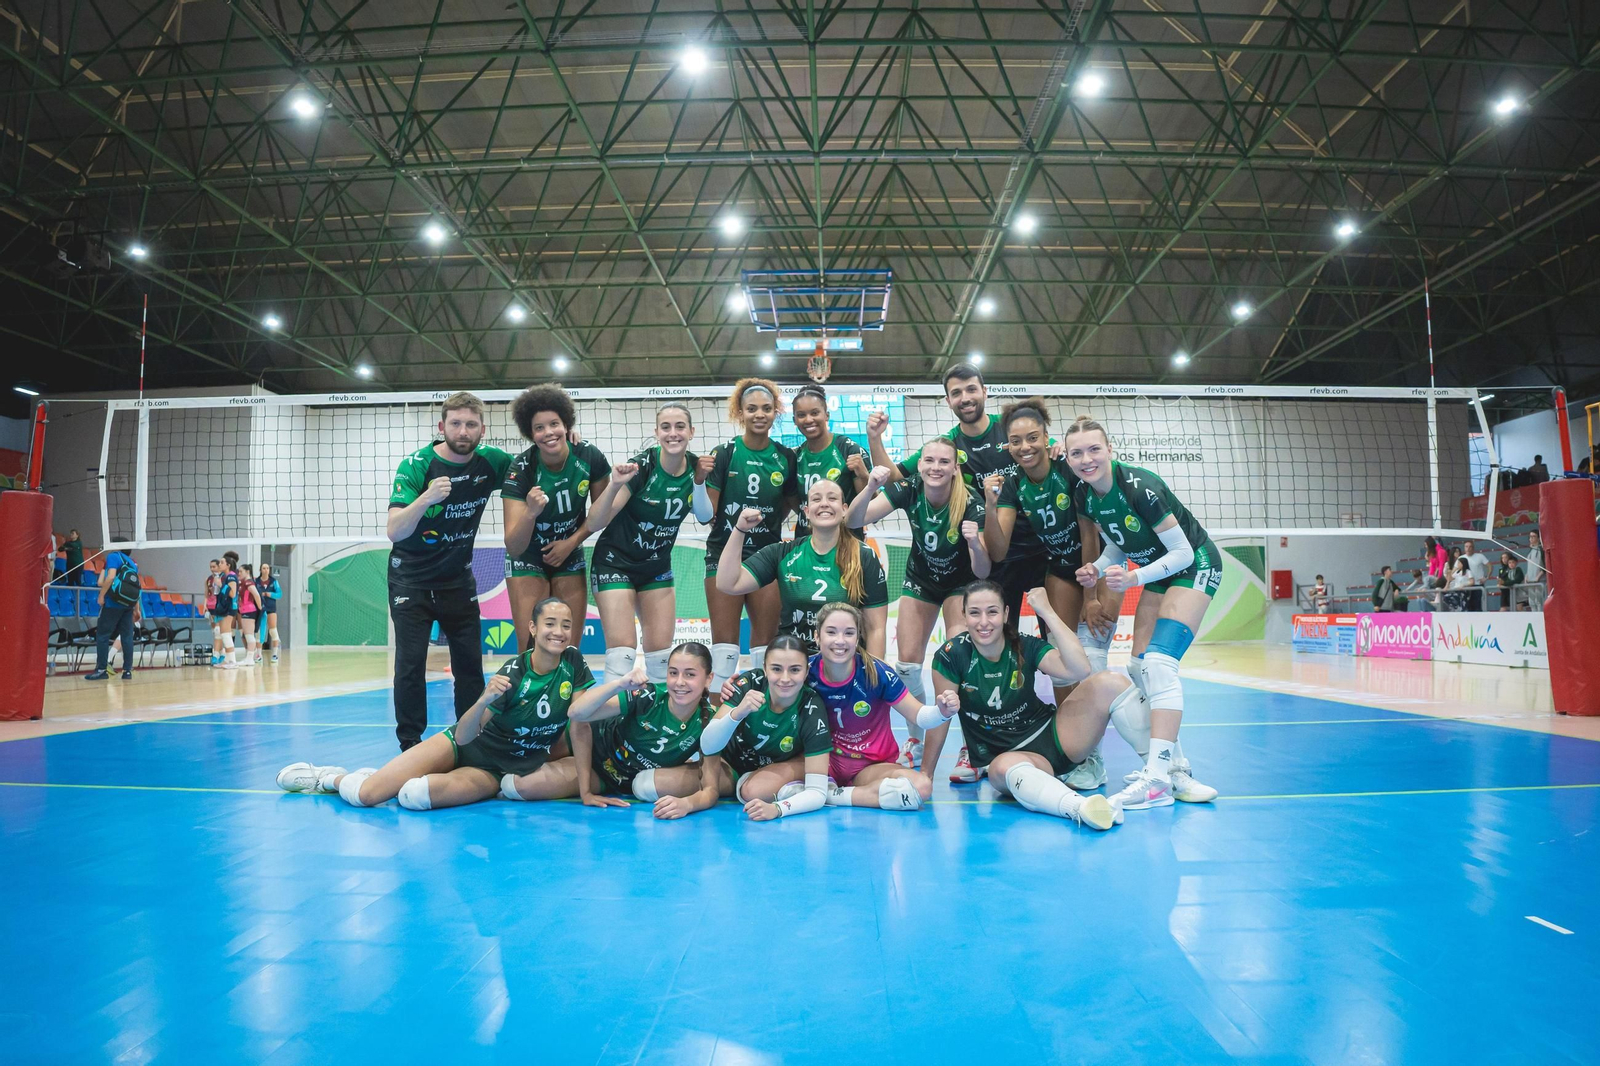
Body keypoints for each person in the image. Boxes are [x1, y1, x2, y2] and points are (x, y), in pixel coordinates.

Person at [865, 363, 1055, 772]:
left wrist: (1056, 450)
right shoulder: (947, 445)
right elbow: (899, 478)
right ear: (948, 400)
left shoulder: (1012, 432)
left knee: (1039, 650)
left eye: (971, 389)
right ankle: (930, 740)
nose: (965, 398)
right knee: (955, 658)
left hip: (1035, 550)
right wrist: (875, 440)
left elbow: (1045, 452)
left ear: (984, 390)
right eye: (956, 393)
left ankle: (1012, 737)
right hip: (983, 559)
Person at [277, 598, 591, 810]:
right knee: (368, 796)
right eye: (550, 623)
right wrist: (483, 700)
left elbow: (581, 718)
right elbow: (467, 735)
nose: (559, 632)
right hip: (463, 745)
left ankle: (386, 776)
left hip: (496, 771)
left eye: (566, 625)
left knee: (415, 796)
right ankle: (327, 777)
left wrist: (586, 789)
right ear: (534, 628)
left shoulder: (574, 662)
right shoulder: (513, 673)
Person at [1068, 414, 1219, 809]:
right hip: (1157, 570)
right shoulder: (1086, 495)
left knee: (1158, 664)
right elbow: (1120, 543)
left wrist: (1133, 581)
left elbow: (1184, 552)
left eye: (1094, 449)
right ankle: (1175, 772)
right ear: (1067, 459)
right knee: (1138, 667)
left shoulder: (1141, 488)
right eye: (1077, 453)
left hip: (1195, 566)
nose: (1087, 459)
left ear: (1110, 449)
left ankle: (1154, 780)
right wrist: (1097, 568)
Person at [926, 582, 1149, 829]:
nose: (984, 622)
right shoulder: (952, 655)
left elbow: (1080, 669)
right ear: (964, 615)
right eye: (975, 613)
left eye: (992, 612)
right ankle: (1079, 807)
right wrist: (926, 774)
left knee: (1111, 682)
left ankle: (1161, 773)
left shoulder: (1023, 645)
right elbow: (941, 717)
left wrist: (1047, 612)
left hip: (1053, 736)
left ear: (1006, 614)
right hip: (1010, 758)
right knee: (1001, 767)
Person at [982, 398, 1118, 789]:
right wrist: (990, 507)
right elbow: (999, 550)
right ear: (1007, 445)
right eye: (1015, 441)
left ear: (1046, 437)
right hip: (1059, 568)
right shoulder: (1013, 484)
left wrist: (1091, 595)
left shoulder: (1067, 468)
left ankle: (1097, 756)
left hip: (1099, 566)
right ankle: (1075, 753)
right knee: (1064, 664)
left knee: (1092, 657)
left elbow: (1090, 531)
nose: (1025, 447)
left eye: (1033, 438)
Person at [847, 437, 991, 779]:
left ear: (955, 468)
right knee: (907, 666)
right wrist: (868, 487)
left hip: (961, 585)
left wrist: (974, 541)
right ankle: (915, 740)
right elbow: (855, 520)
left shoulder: (971, 505)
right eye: (929, 460)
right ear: (921, 463)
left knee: (961, 667)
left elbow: (983, 570)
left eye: (944, 462)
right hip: (921, 580)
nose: (935, 467)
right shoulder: (910, 488)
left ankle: (972, 750)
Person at [387, 392, 515, 751]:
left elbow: (534, 466)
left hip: (457, 580)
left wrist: (567, 441)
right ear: (441, 427)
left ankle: (470, 737)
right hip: (410, 579)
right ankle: (409, 744)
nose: (463, 431)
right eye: (455, 424)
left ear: (482, 429)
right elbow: (394, 529)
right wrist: (425, 498)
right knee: (410, 666)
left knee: (470, 665)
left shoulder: (492, 462)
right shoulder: (416, 465)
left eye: (470, 424)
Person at [586, 402, 712, 684]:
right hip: (615, 563)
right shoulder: (642, 467)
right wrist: (615, 484)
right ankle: (612, 724)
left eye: (680, 427)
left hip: (655, 566)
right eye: (665, 427)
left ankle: (655, 723)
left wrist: (701, 482)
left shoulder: (696, 469)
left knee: (661, 658)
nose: (673, 433)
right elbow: (595, 522)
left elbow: (705, 516)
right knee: (622, 654)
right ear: (656, 433)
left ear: (691, 431)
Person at [700, 378, 800, 698]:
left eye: (767, 409)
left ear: (775, 413)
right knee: (725, 653)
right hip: (723, 555)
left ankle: (760, 722)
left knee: (765, 651)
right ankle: (717, 729)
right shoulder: (725, 453)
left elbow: (787, 505)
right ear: (740, 412)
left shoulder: (786, 457)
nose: (760, 414)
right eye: (752, 408)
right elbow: (709, 513)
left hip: (766, 558)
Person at [717, 480, 888, 655]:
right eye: (816, 499)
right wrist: (739, 530)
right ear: (806, 512)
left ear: (844, 509)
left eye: (832, 498)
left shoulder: (864, 556)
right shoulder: (783, 553)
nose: (824, 504)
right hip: (794, 663)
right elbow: (728, 583)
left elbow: (875, 629)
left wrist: (874, 678)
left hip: (844, 662)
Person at [502, 384, 610, 655]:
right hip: (527, 557)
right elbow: (514, 546)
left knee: (569, 646)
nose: (548, 432)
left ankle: (569, 697)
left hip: (569, 553)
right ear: (530, 433)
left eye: (555, 424)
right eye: (539, 428)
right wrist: (530, 513)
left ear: (566, 424)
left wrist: (571, 542)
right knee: (530, 646)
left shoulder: (588, 456)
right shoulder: (521, 469)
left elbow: (603, 513)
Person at [566, 643, 723, 818]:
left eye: (690, 674)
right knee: (529, 786)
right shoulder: (647, 695)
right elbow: (576, 713)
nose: (679, 682)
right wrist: (619, 684)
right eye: (673, 673)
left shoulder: (709, 722)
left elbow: (711, 790)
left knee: (529, 786)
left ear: (709, 678)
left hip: (612, 782)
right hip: (592, 758)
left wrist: (686, 804)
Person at [808, 603, 937, 812]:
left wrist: (943, 710)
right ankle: (845, 792)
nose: (840, 641)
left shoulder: (876, 673)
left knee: (922, 787)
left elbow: (919, 716)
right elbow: (767, 685)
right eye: (831, 632)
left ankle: (830, 795)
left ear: (857, 638)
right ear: (817, 636)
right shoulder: (803, 671)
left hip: (871, 766)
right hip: (823, 763)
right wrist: (737, 690)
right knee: (755, 789)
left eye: (848, 633)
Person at [699, 634, 833, 820]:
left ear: (806, 671)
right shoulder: (750, 683)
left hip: (777, 767)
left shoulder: (811, 707)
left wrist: (778, 808)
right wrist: (737, 713)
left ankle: (791, 786)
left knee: (753, 791)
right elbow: (708, 745)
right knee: (664, 785)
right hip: (731, 764)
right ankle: (784, 789)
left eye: (794, 670)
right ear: (764, 668)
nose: (785, 679)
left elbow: (818, 793)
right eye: (776, 669)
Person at [789, 383, 870, 538]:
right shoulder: (794, 457)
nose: (808, 420)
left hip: (845, 542)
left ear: (827, 415)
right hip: (805, 542)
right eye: (801, 415)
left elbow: (871, 505)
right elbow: (794, 502)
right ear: (794, 420)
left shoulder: (849, 451)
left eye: (815, 413)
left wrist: (865, 476)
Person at [85, 546, 142, 681]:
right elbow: (137, 588)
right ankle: (127, 671)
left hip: (113, 603)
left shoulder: (114, 556)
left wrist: (101, 595)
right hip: (128, 605)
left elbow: (110, 577)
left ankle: (101, 670)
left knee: (103, 635)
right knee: (127, 637)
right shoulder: (132, 563)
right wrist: (136, 609)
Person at [217, 551, 245, 668]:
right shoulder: (226, 576)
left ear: (228, 565)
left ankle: (232, 661)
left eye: (222, 562)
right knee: (225, 633)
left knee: (225, 634)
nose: (220, 564)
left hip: (229, 608)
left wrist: (220, 585)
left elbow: (232, 594)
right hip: (225, 607)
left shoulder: (232, 576)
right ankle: (228, 660)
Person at [237, 563, 263, 664]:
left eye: (241, 571)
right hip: (245, 610)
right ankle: (249, 658)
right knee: (247, 635)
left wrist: (260, 608)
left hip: (249, 611)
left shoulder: (249, 583)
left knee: (249, 635)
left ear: (247, 572)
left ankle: (249, 659)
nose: (239, 573)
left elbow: (256, 595)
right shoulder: (243, 583)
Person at [257, 562, 283, 662]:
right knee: (260, 632)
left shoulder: (274, 581)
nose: (266, 570)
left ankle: (275, 654)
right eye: (263, 568)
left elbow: (279, 594)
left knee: (272, 630)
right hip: (260, 608)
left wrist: (269, 594)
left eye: (267, 568)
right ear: (260, 570)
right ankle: (259, 655)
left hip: (271, 608)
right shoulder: (256, 581)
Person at [205, 559, 225, 666]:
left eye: (214, 566)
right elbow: (206, 594)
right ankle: (222, 653)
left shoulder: (223, 577)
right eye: (210, 567)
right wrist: (205, 605)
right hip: (211, 607)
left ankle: (216, 655)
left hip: (220, 606)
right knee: (215, 632)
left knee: (218, 631)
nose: (212, 569)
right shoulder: (208, 579)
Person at [1462, 540, 1489, 611]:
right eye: (1466, 546)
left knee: (1477, 607)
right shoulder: (1461, 558)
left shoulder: (1480, 556)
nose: (1468, 548)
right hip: (1466, 586)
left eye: (1470, 547)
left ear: (1473, 548)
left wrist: (1486, 577)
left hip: (1478, 585)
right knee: (1467, 607)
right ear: (1464, 548)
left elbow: (1490, 566)